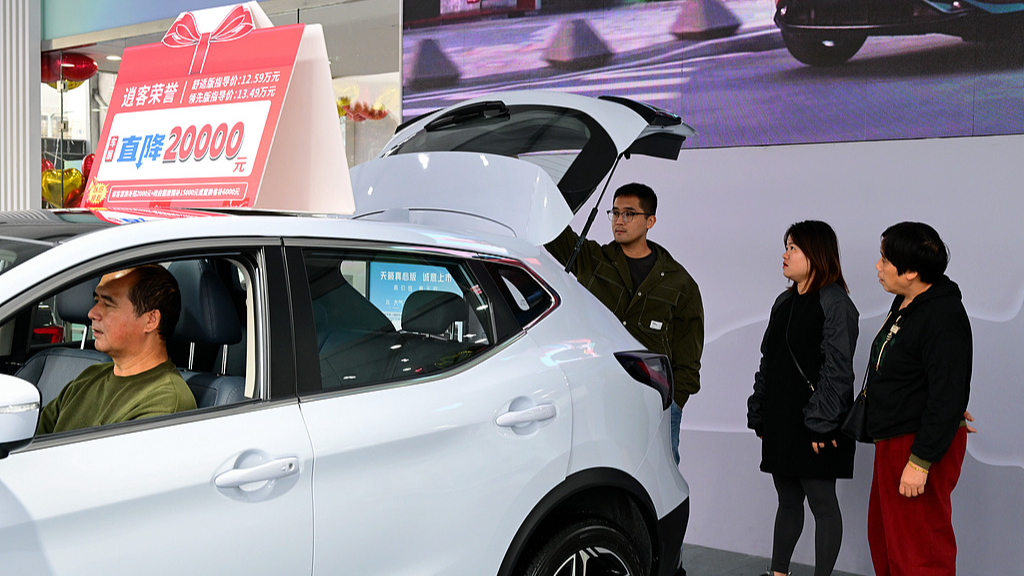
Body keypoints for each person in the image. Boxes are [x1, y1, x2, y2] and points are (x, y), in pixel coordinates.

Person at [545, 182, 703, 464]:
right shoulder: (593, 260)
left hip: (654, 403)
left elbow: (688, 354)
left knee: (657, 479)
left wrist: (675, 401)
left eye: (629, 213)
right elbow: (551, 232)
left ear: (650, 221)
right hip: (598, 394)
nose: (619, 220)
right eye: (615, 212)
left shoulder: (679, 282)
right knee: (594, 471)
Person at [746, 220, 859, 576]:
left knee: (823, 504)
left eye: (793, 247)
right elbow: (770, 360)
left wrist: (821, 426)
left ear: (816, 253)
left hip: (818, 425)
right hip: (783, 421)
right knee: (788, 500)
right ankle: (778, 572)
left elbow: (838, 371)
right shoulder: (783, 301)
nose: (785, 253)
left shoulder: (836, 303)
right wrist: (760, 413)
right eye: (787, 246)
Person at [866, 222, 971, 576]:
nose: (877, 266)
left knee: (920, 551)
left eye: (884, 259)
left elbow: (949, 388)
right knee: (888, 543)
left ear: (910, 271)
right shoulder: (907, 301)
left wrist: (922, 461)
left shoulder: (943, 314)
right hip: (894, 437)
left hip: (915, 445)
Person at [37, 265, 196, 434]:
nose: (92, 312)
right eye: (96, 301)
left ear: (150, 320)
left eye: (108, 303)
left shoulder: (165, 403)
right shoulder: (90, 376)